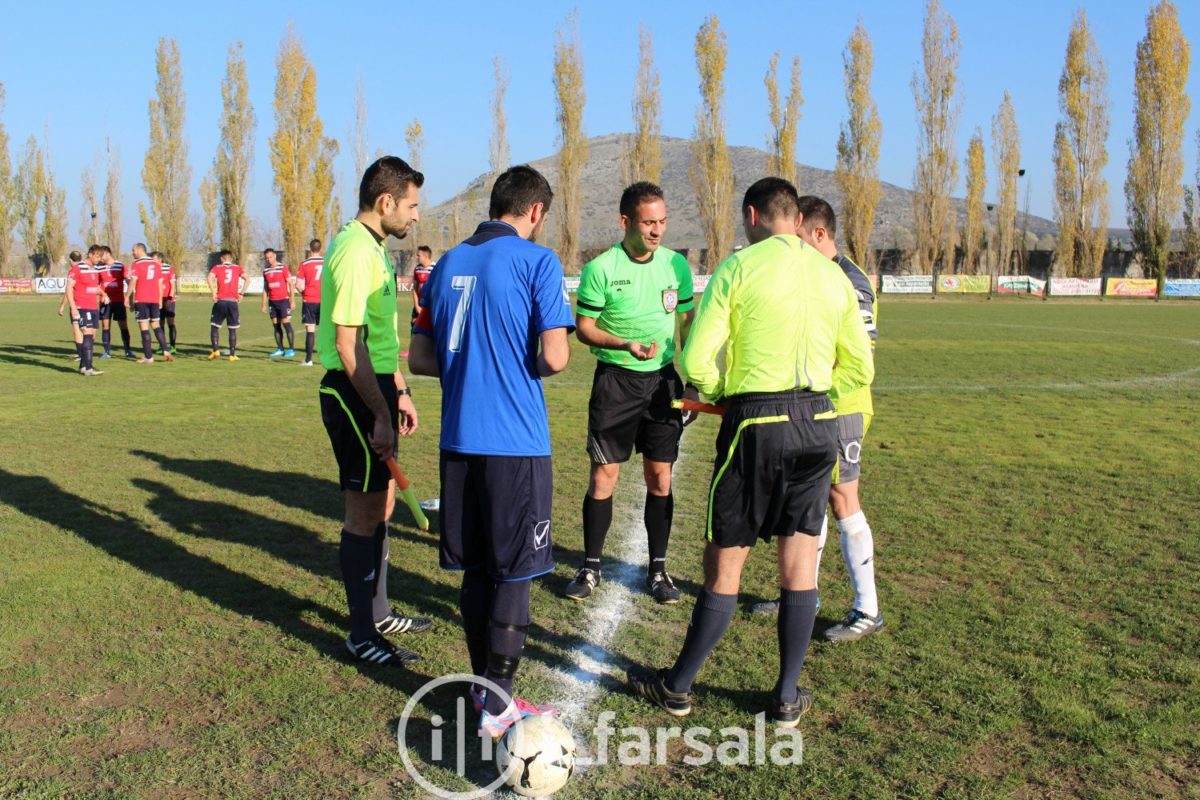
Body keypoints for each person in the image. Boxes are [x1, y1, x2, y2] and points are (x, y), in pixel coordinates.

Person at [626, 178, 873, 728]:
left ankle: (677, 686)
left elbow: (695, 360)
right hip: (820, 424)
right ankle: (786, 696)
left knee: (725, 560)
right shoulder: (833, 275)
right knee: (800, 559)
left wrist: (715, 390)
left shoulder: (740, 268)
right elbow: (860, 367)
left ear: (754, 214)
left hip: (756, 422)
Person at [408, 164, 573, 738]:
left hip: (457, 440)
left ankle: (488, 693)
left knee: (476, 570)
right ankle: (500, 707)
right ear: (535, 212)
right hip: (514, 442)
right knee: (515, 573)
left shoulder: (447, 263)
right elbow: (555, 356)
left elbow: (421, 360)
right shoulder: (537, 261)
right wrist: (509, 362)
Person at [317, 156, 429, 669]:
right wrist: (379, 411)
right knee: (363, 514)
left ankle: (379, 613)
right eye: (410, 205)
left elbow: (379, 339)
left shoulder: (375, 247)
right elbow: (347, 346)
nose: (415, 217)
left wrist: (399, 390)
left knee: (382, 505)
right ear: (385, 202)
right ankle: (361, 633)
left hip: (379, 384)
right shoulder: (356, 251)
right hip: (354, 389)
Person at [565, 181, 695, 605]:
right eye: (648, 222)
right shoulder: (600, 268)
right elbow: (584, 328)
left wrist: (692, 379)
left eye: (662, 222)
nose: (657, 230)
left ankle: (658, 571)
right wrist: (624, 345)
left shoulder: (676, 266)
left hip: (663, 384)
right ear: (625, 222)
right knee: (604, 476)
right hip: (616, 383)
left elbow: (689, 323)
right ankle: (590, 567)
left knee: (660, 477)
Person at [795, 195, 883, 642]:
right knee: (816, 495)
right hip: (818, 404)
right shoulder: (819, 276)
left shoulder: (851, 281)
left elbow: (861, 354)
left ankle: (867, 608)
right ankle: (804, 595)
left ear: (819, 234)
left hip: (844, 405)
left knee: (843, 498)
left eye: (798, 239)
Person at [126, 243, 173, 363]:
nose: (132, 253)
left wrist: (127, 296)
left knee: (144, 327)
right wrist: (159, 300)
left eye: (133, 250)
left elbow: (133, 281)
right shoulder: (156, 264)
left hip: (141, 299)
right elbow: (159, 283)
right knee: (156, 325)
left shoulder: (136, 264)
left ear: (139, 250)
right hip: (154, 299)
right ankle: (166, 350)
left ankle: (148, 357)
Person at [66, 245, 107, 376]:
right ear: (90, 254)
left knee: (92, 336)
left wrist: (104, 295)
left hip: (93, 307)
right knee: (87, 333)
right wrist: (73, 307)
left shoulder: (94, 270)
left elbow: (93, 288)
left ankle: (83, 366)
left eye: (100, 257)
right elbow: (69, 288)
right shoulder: (77, 269)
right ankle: (88, 368)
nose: (99, 259)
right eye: (97, 256)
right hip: (82, 307)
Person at [207, 250, 246, 361]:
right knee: (232, 330)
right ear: (231, 258)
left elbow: (209, 278)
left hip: (221, 301)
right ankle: (232, 355)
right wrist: (241, 294)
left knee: (214, 327)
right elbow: (248, 279)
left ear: (221, 258)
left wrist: (213, 292)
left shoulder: (217, 268)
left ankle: (215, 350)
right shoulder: (237, 268)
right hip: (232, 302)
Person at [97, 246, 135, 359]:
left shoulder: (120, 266)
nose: (100, 258)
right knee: (105, 326)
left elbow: (129, 282)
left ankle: (128, 350)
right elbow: (96, 284)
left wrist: (130, 298)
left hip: (118, 301)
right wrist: (101, 296)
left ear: (108, 253)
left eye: (101, 255)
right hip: (105, 302)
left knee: (123, 325)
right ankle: (107, 352)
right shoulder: (99, 268)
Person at [261, 248, 297, 358]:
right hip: (272, 301)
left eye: (270, 257)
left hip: (283, 301)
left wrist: (292, 300)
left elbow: (291, 284)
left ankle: (291, 349)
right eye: (267, 258)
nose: (269, 260)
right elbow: (265, 289)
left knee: (286, 324)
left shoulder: (283, 268)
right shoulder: (266, 271)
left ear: (275, 256)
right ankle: (280, 348)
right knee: (276, 326)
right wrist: (263, 304)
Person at [295, 239, 324, 366]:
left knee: (310, 330)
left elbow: (298, 284)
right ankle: (329, 359)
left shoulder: (304, 264)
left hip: (310, 300)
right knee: (326, 331)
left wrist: (304, 292)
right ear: (321, 248)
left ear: (310, 249)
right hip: (324, 300)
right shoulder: (327, 262)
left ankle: (308, 360)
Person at [58, 250, 84, 360]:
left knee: (77, 329)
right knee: (86, 329)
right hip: (89, 304)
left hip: (76, 304)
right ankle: (86, 352)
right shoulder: (87, 269)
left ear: (70, 260)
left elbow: (69, 290)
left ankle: (80, 354)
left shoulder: (73, 271)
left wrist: (62, 305)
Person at [154, 251, 178, 354]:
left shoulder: (169, 268)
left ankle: (172, 346)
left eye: (153, 259)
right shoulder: (153, 270)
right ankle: (162, 346)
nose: (152, 261)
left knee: (171, 322)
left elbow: (172, 285)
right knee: (160, 323)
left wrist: (169, 298)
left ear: (160, 259)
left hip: (168, 300)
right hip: (157, 300)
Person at [410, 245, 433, 323]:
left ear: (425, 256)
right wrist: (416, 306)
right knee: (414, 323)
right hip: (419, 304)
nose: (417, 257)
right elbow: (415, 289)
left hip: (431, 304)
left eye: (418, 255)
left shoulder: (436, 268)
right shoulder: (417, 268)